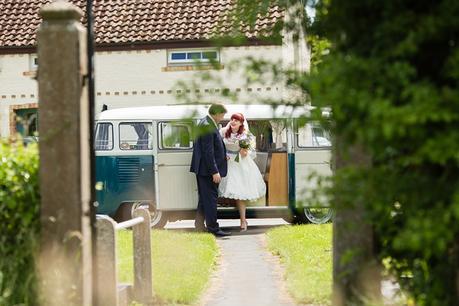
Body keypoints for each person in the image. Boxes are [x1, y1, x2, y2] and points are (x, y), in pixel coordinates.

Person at [218, 113, 266, 231]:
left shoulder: (245, 136)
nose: (233, 122)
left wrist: (229, 156)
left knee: (239, 194)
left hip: (241, 165)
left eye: (237, 120)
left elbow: (244, 154)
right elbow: (219, 147)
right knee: (227, 192)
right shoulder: (223, 132)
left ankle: (243, 220)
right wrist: (224, 156)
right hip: (227, 165)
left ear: (241, 123)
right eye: (232, 119)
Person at [190, 103, 231, 237]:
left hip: (203, 169)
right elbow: (208, 152)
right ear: (217, 113)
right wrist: (214, 171)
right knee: (211, 199)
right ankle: (213, 228)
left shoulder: (205, 123)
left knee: (204, 199)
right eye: (222, 115)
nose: (222, 117)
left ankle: (199, 226)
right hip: (208, 171)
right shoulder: (208, 126)